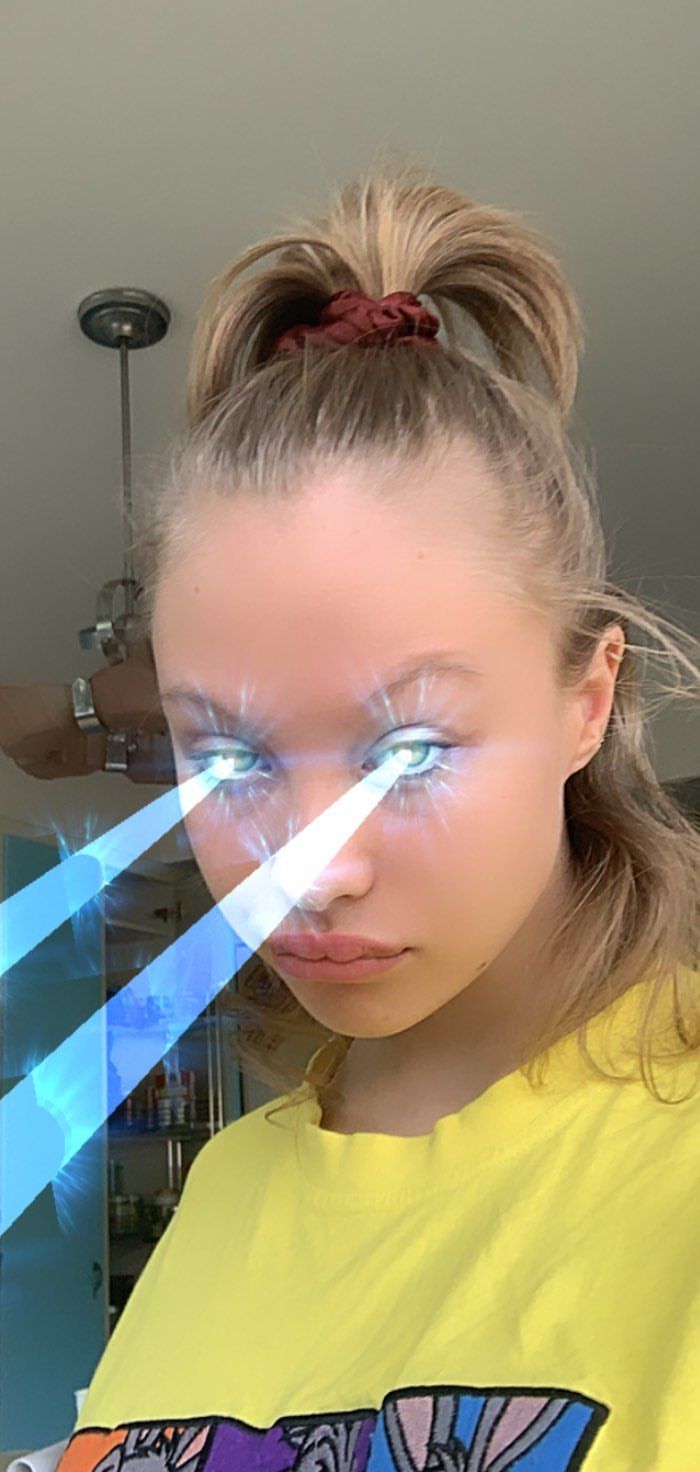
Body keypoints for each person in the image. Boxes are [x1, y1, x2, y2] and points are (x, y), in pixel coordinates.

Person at [57, 155, 700, 1471]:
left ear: (587, 702)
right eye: (227, 754)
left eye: (410, 751)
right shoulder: (231, 1178)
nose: (306, 871)